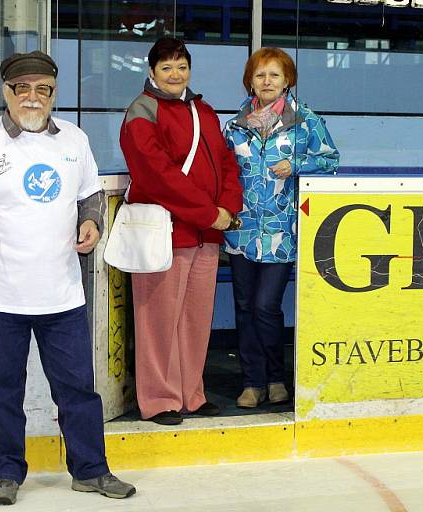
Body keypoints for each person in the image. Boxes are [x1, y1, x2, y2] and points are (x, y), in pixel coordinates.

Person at [0, 51, 135, 505]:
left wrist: (91, 221)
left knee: (78, 391)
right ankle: (7, 473)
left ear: (53, 93)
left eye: (43, 89)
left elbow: (89, 192)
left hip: (62, 295)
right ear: (7, 92)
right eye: (23, 88)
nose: (33, 98)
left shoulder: (73, 140)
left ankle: (91, 470)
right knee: (4, 390)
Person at [119, 37, 243, 426]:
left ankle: (192, 392)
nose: (175, 74)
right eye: (167, 67)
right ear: (152, 71)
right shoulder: (142, 110)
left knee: (194, 318)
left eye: (182, 66)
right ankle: (159, 399)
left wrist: (228, 208)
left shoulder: (204, 111)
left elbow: (225, 163)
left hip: (205, 234)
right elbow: (156, 175)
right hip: (167, 233)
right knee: (158, 320)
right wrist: (210, 213)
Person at [224, 47, 339, 409]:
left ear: (287, 79)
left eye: (274, 75)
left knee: (265, 306)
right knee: (244, 306)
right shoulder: (235, 124)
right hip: (241, 230)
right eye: (260, 75)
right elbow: (225, 173)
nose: (267, 81)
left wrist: (297, 164)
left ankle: (276, 376)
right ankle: (252, 382)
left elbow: (331, 160)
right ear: (250, 81)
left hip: (282, 231)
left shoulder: (305, 120)